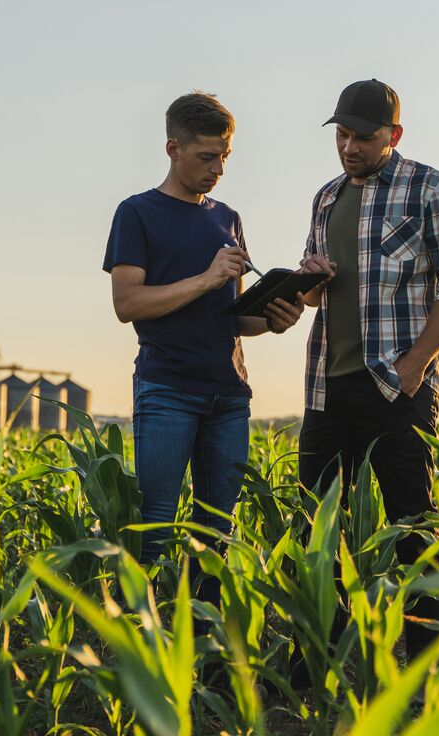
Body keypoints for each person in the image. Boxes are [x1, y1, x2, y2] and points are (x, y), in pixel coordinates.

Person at [298, 78, 439, 659]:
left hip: (397, 385)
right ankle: (323, 658)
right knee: (317, 529)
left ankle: (427, 661)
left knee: (413, 526)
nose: (350, 148)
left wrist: (414, 366)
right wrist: (309, 277)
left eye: (364, 137)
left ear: (393, 135)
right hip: (328, 385)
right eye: (342, 136)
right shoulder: (326, 197)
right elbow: (310, 299)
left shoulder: (431, 187)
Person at [103, 91, 305, 578]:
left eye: (225, 157)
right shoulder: (136, 213)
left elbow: (231, 316)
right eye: (207, 157)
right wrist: (207, 279)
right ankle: (143, 642)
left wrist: (276, 318)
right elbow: (127, 304)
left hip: (229, 395)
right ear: (173, 149)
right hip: (167, 390)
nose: (218, 168)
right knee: (153, 527)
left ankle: (207, 649)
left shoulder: (227, 218)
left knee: (217, 532)